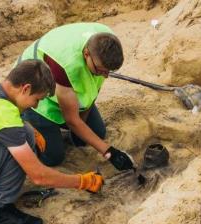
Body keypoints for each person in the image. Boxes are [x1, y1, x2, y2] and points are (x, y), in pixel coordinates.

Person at [0, 60, 104, 224]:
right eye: (37, 99)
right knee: (16, 145)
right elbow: (39, 176)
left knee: (23, 131)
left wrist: (27, 127)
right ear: (25, 88)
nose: (36, 106)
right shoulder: (4, 116)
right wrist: (82, 181)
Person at [18, 22, 134, 171]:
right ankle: (28, 131)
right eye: (101, 70)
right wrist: (109, 152)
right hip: (36, 96)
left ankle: (60, 135)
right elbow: (72, 120)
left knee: (97, 132)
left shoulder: (107, 42)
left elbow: (92, 91)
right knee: (53, 158)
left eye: (109, 71)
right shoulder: (64, 65)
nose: (106, 76)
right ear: (86, 54)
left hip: (65, 89)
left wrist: (81, 126)